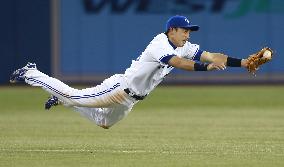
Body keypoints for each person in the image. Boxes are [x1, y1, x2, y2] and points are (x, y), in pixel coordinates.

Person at [10, 15, 248, 129]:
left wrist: (244, 63)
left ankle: (62, 101)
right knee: (73, 94)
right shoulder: (160, 43)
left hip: (131, 100)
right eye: (185, 30)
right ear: (172, 30)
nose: (188, 34)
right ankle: (32, 73)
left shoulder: (184, 46)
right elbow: (177, 63)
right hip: (119, 89)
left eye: (190, 31)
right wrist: (206, 68)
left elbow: (213, 56)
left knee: (103, 123)